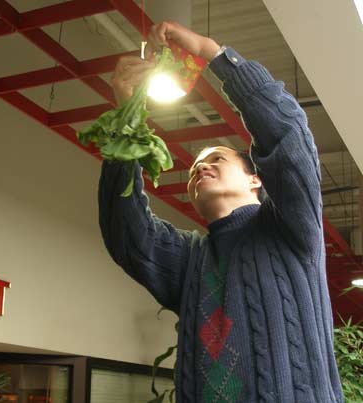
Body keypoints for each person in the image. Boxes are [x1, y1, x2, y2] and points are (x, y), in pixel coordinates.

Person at [99, 21, 344, 403]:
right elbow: (126, 233)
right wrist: (127, 115)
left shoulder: (292, 229)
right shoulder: (189, 260)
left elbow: (289, 136)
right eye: (196, 166)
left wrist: (213, 53)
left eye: (216, 158)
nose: (200, 167)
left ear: (256, 180)